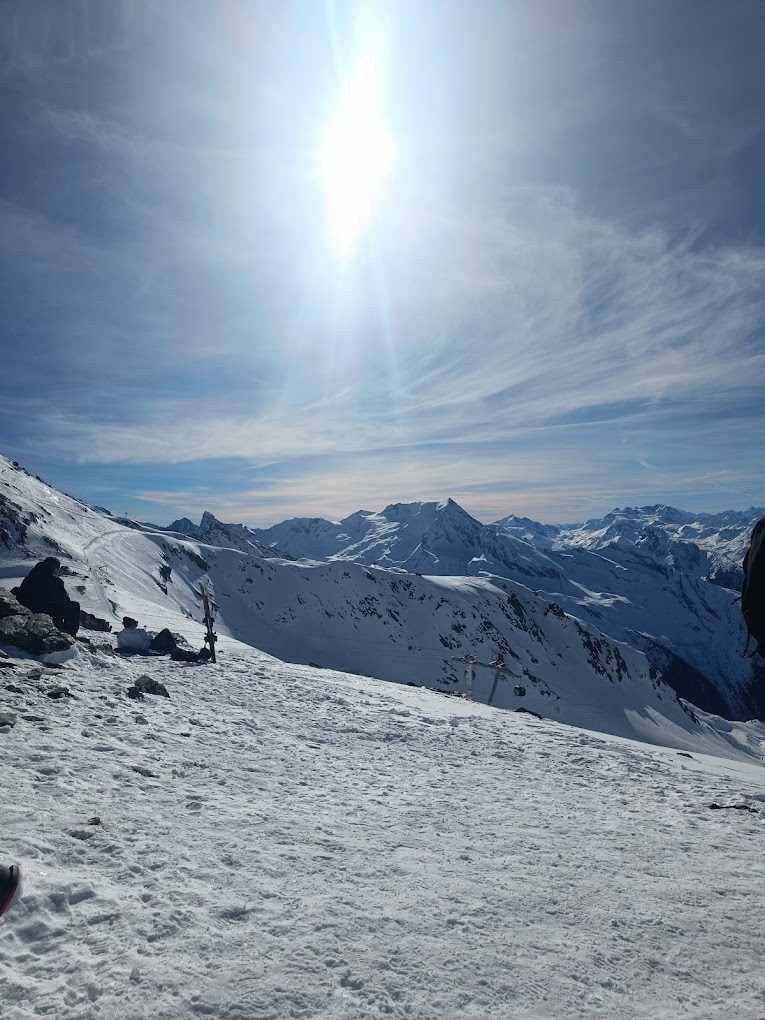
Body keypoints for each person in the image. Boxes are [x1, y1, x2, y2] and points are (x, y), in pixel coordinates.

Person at [16, 557, 80, 637]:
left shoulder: (29, 577)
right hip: (49, 616)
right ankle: (69, 633)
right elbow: (64, 601)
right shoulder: (56, 581)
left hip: (27, 613)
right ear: (55, 568)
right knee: (73, 605)